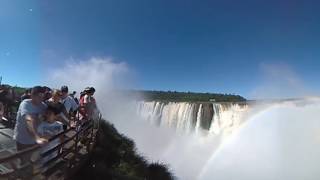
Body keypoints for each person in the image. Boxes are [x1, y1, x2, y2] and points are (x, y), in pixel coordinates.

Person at [13, 86, 48, 164]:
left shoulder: (43, 106)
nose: (41, 99)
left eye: (42, 96)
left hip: (33, 140)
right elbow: (29, 120)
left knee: (29, 158)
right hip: (22, 139)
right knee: (23, 161)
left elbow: (52, 114)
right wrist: (36, 138)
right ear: (32, 95)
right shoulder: (25, 104)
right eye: (39, 96)